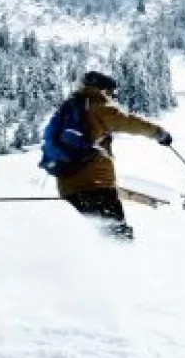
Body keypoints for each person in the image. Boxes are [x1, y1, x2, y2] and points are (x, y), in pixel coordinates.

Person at [55, 71, 173, 241]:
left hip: (69, 188)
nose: (112, 98)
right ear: (103, 89)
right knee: (118, 236)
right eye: (111, 92)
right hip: (96, 186)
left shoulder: (69, 110)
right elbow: (129, 122)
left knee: (94, 238)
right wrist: (159, 134)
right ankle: (123, 257)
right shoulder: (97, 105)